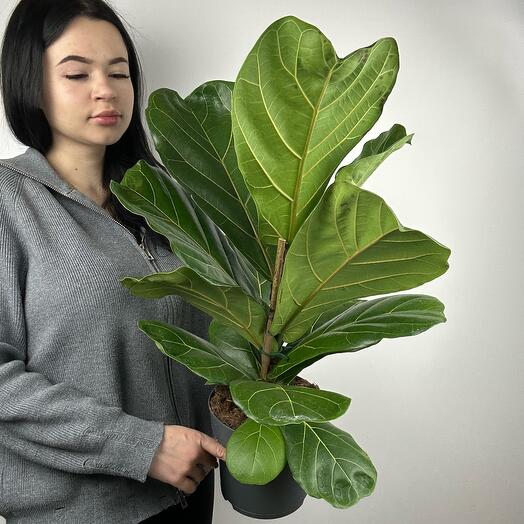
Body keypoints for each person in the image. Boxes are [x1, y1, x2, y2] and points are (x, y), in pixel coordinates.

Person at [0, 1, 226, 522]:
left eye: (119, 73)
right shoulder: (9, 202)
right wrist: (140, 446)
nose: (106, 90)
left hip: (191, 497)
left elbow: (227, 325)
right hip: (81, 511)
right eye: (77, 74)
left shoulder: (167, 197)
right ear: (31, 84)